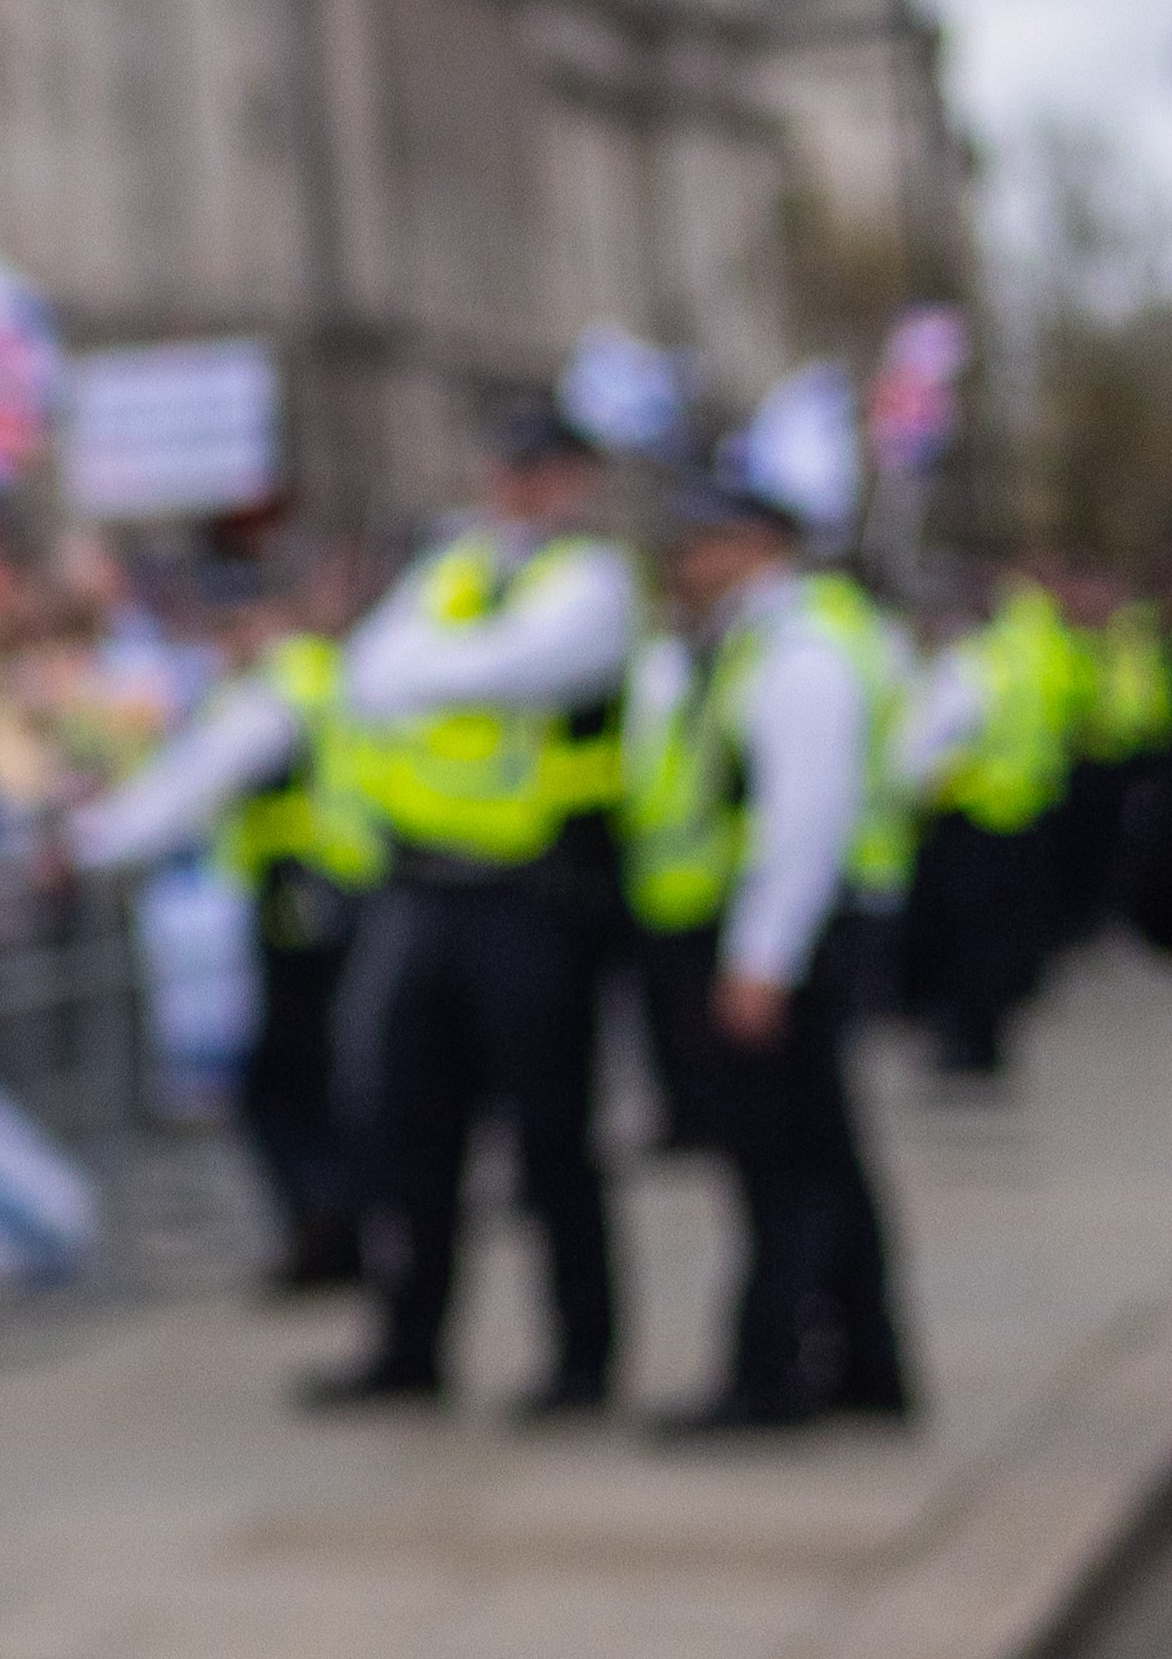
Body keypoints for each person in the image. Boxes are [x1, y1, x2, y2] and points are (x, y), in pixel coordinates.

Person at [307, 408, 636, 1423]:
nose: (515, 486)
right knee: (409, 1132)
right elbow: (365, 673)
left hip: (531, 898)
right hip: (422, 891)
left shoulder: (590, 577)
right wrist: (436, 663)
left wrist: (431, 667)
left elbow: (521, 666)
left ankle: (581, 1358)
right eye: (506, 465)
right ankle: (410, 1344)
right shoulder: (451, 568)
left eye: (537, 469)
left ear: (572, 477)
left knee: (549, 1138)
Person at [632, 475, 912, 1441]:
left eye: (699, 543)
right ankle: (867, 1364)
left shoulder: (796, 650)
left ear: (755, 544)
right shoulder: (746, 643)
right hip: (775, 930)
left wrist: (759, 957)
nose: (681, 563)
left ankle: (772, 1376)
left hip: (786, 935)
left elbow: (804, 818)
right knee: (821, 1154)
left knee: (778, 1167)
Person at [68, 546, 387, 1293]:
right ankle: (338, 1229)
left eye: (240, 616)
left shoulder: (276, 689)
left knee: (285, 1083)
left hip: (307, 901)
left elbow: (188, 784)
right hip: (322, 897)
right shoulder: (307, 676)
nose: (228, 634)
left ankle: (328, 1229)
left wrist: (87, 843)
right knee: (314, 1077)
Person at [894, 560, 1079, 1083]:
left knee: (967, 941)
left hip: (972, 817)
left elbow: (922, 755)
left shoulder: (970, 665)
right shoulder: (1031, 655)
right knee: (1004, 938)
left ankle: (969, 1041)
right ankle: (988, 1035)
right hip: (1027, 812)